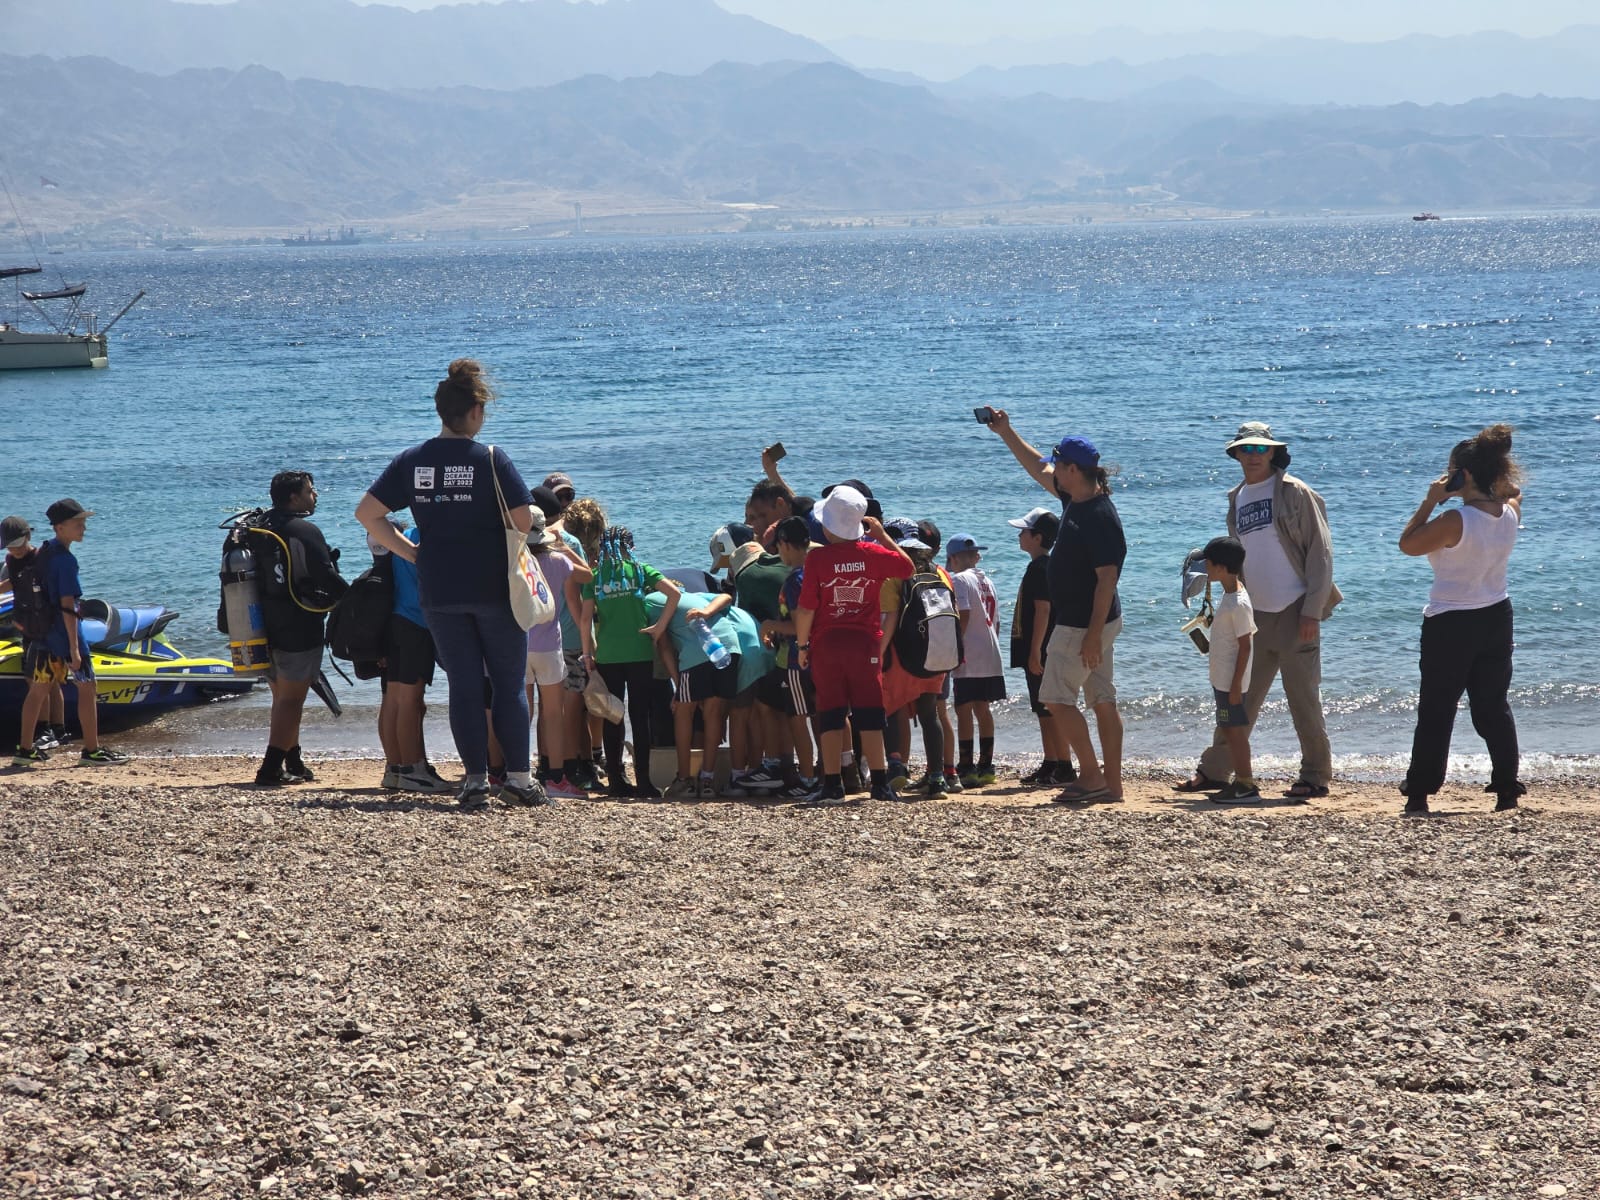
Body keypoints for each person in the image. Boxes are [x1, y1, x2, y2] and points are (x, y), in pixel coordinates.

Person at [358, 358, 544, 810]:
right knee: (507, 683)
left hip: (438, 587)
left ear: (442, 412)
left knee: (462, 683)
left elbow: (368, 514)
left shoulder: (412, 461)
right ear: (476, 412)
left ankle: (475, 782)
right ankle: (518, 778)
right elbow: (523, 520)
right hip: (494, 586)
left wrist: (411, 552)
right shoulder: (491, 459)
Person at [1182, 422, 1340, 801]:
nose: (1252, 456)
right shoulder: (1237, 497)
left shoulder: (1295, 492)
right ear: (1235, 454)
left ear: (1272, 453)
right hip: (1254, 613)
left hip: (1296, 609)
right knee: (1237, 695)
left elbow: (1321, 554)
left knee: (1303, 698)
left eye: (1259, 450)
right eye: (1245, 450)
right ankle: (1217, 770)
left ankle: (1315, 776)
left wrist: (1311, 612)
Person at [987, 413, 1126, 804]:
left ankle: (1093, 777)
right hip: (1093, 620)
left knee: (1056, 699)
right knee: (1102, 699)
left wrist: (1094, 634)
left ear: (1073, 469)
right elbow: (1036, 466)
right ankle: (1111, 786)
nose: (1053, 469)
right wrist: (1006, 431)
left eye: (1058, 463)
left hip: (1084, 623)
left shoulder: (1099, 516)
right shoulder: (1075, 497)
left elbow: (1106, 579)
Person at [1397, 424, 1525, 816]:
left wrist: (1431, 499)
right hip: (1497, 615)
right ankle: (1506, 788)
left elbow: (1408, 545)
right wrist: (1481, 482)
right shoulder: (1510, 512)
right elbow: (1514, 492)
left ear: (1462, 475)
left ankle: (1419, 792)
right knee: (1492, 706)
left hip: (1451, 621)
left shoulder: (1455, 520)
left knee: (1437, 708)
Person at [793, 486, 914, 805]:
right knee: (870, 715)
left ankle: (832, 784)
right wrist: (884, 537)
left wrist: (802, 646)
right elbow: (907, 569)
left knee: (831, 714)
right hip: (865, 647)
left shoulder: (816, 558)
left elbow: (806, 609)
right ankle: (879, 783)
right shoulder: (872, 554)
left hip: (827, 647)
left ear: (827, 525)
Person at [251, 471, 346, 786]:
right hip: (298, 625)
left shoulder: (258, 528)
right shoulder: (303, 530)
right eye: (309, 490)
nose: (315, 495)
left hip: (261, 624)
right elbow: (326, 577)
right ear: (294, 497)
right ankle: (270, 768)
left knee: (282, 697)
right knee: (291, 700)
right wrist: (354, 601)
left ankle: (293, 761)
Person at [21, 501, 129, 767]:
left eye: (84, 521)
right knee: (87, 687)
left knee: (38, 690)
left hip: (44, 634)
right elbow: (68, 607)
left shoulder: (44, 551)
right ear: (60, 527)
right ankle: (91, 751)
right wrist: (75, 649)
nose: (84, 527)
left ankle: (24, 750)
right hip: (65, 636)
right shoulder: (65, 561)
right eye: (77, 522)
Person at [578, 525, 681, 799]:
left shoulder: (595, 576)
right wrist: (659, 627)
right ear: (629, 546)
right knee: (639, 716)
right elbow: (675, 594)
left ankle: (617, 780)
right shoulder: (640, 571)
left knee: (613, 716)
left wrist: (587, 654)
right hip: (640, 653)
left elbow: (585, 619)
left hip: (609, 655)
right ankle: (645, 781)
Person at [374, 517, 449, 794]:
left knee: (393, 698)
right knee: (411, 700)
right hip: (416, 624)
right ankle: (412, 769)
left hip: (395, 623)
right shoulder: (428, 541)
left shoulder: (402, 537)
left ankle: (395, 769)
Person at [525, 508, 593, 799]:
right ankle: (555, 778)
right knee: (553, 713)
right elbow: (587, 576)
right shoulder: (557, 560)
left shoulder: (513, 560)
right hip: (549, 645)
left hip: (517, 644)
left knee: (522, 711)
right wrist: (564, 546)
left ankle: (516, 773)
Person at [1007, 506, 1075, 787]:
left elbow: (1043, 610)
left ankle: (1064, 765)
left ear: (1037, 537)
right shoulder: (1041, 565)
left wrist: (1036, 650)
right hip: (1037, 648)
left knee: (1049, 708)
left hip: (1041, 648)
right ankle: (1050, 761)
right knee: (1041, 708)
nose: (1020, 536)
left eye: (1024, 531)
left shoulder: (1041, 567)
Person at [5, 515, 73, 768]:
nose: (15, 549)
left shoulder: (42, 557)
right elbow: (15, 582)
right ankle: (56, 729)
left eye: (19, 543)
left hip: (48, 628)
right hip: (29, 628)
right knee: (44, 681)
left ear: (29, 537)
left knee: (42, 680)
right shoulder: (12, 560)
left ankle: (50, 729)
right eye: (10, 546)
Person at [1197, 536, 1261, 804]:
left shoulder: (1239, 604)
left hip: (1229, 682)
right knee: (1228, 728)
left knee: (1234, 732)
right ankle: (1242, 782)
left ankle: (1246, 784)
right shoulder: (1232, 591)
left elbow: (1245, 646)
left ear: (1221, 568)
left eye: (1209, 565)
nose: (1206, 570)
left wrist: (1236, 686)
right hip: (1222, 677)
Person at [946, 533, 1005, 788]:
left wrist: (955, 649)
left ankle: (967, 766)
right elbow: (998, 621)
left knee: (963, 709)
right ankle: (987, 765)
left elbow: (964, 614)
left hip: (970, 653)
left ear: (955, 558)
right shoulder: (987, 581)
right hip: (991, 652)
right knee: (983, 708)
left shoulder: (959, 579)